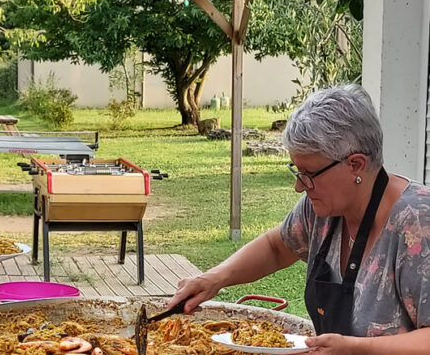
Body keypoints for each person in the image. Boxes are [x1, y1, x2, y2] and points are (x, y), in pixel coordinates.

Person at [168, 84, 430, 354]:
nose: (299, 186)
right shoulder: (323, 209)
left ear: (356, 165)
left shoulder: (418, 222)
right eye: (297, 170)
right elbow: (276, 247)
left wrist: (358, 349)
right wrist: (215, 278)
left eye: (309, 173)